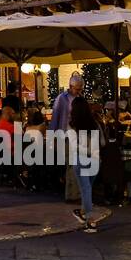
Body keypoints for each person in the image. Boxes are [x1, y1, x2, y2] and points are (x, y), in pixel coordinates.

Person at [69, 97, 103, 231]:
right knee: (88, 189)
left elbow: (74, 145)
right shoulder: (95, 124)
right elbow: (103, 143)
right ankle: (83, 213)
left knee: (86, 189)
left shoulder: (72, 125)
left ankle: (90, 220)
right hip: (95, 160)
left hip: (81, 159)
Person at [52, 72, 83, 203]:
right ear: (70, 86)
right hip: (65, 135)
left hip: (76, 135)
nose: (79, 91)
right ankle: (72, 195)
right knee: (72, 164)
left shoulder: (80, 98)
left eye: (81, 89)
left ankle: (72, 194)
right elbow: (55, 117)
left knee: (73, 164)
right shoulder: (61, 98)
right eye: (77, 89)